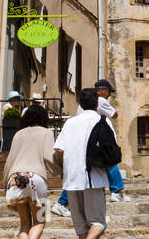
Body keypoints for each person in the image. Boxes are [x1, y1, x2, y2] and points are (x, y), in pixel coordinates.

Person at [52, 87, 108, 239]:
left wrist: (64, 169)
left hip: (72, 179)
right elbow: (112, 149)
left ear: (80, 104)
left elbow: (59, 150)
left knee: (81, 225)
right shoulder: (102, 120)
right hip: (94, 177)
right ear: (96, 103)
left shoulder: (70, 123)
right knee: (98, 223)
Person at [53, 78, 128, 214]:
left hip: (80, 139)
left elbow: (59, 149)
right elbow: (115, 115)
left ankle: (62, 202)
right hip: (95, 138)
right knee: (108, 160)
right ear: (102, 90)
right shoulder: (100, 101)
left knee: (79, 172)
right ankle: (116, 190)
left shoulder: (79, 109)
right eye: (108, 91)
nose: (109, 95)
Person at [3, 103, 55, 239]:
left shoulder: (18, 134)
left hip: (15, 179)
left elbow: (9, 161)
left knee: (24, 223)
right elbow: (50, 157)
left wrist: (5, 185)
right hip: (36, 179)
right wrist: (61, 172)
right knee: (40, 220)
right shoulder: (46, 133)